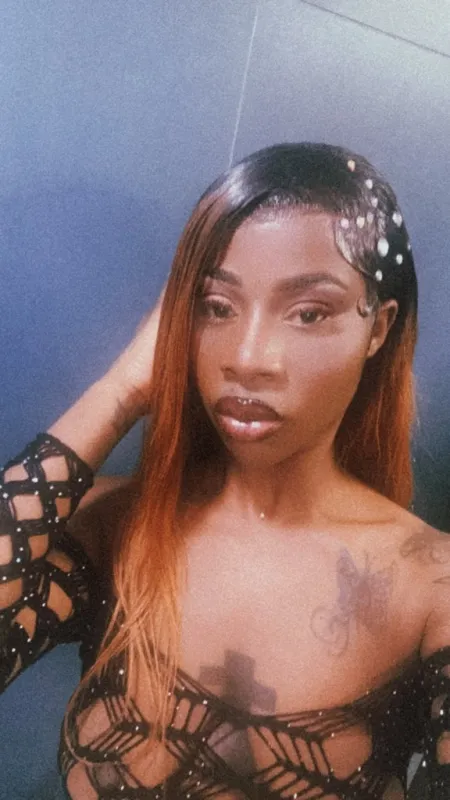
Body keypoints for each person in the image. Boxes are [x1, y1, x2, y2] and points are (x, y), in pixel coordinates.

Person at [0, 143, 449, 800]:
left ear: (377, 330)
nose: (248, 357)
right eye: (215, 306)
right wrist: (120, 391)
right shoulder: (116, 527)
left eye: (309, 313)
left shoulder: (432, 590)